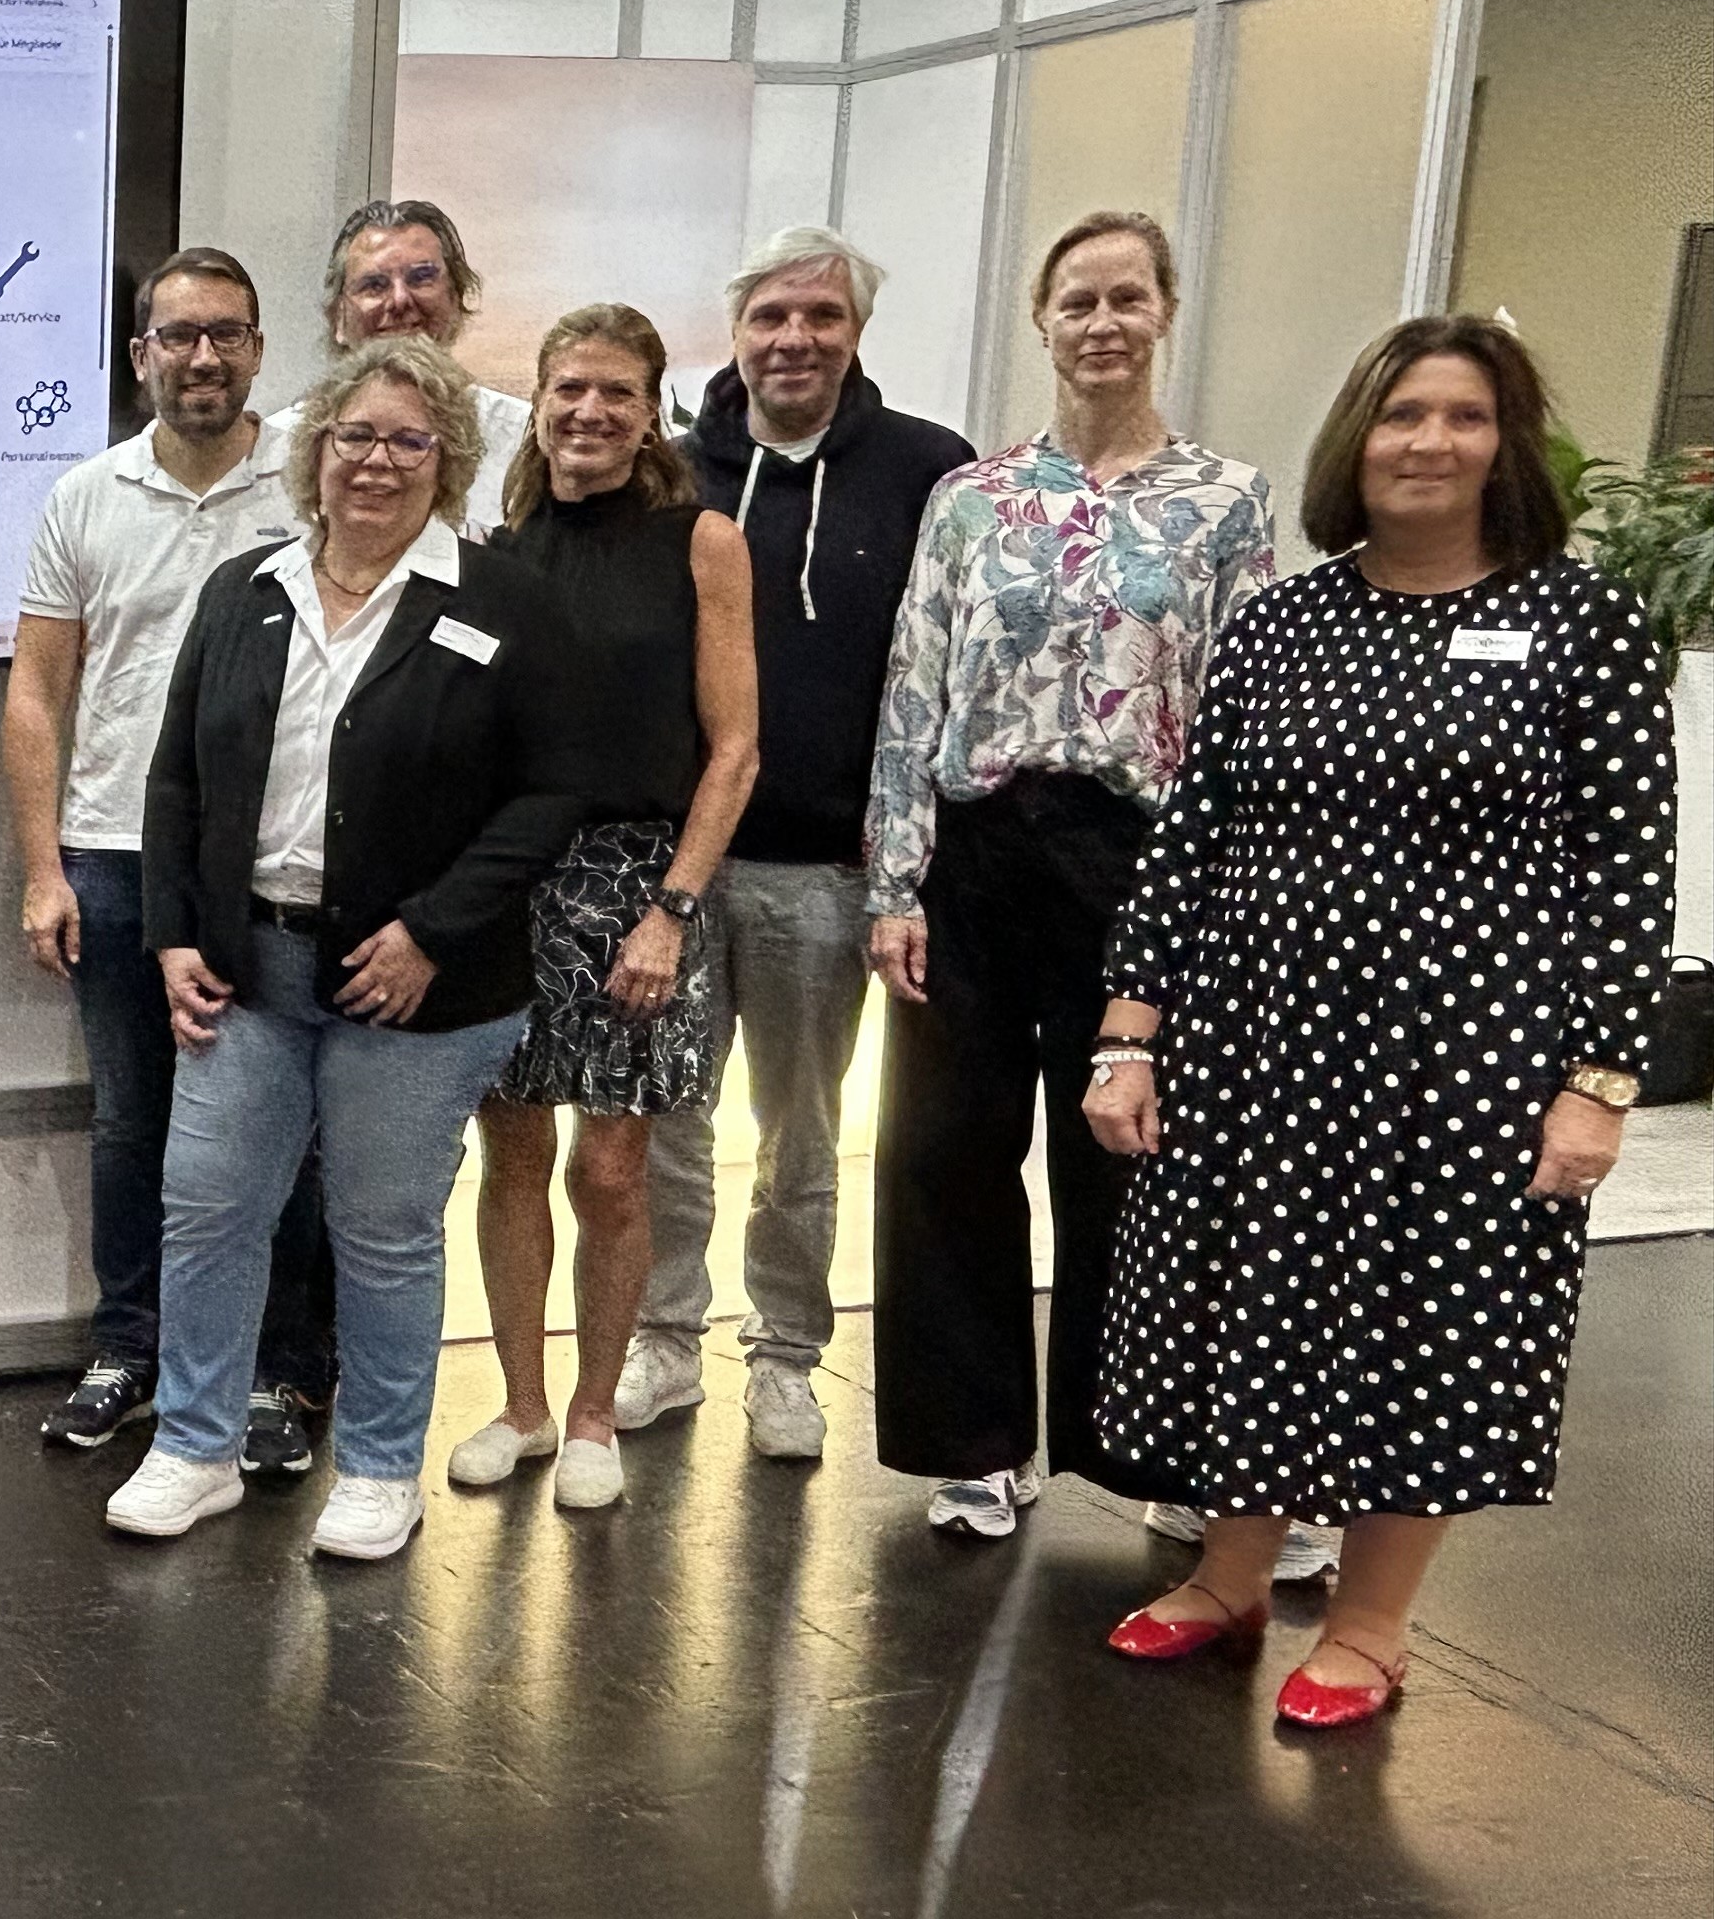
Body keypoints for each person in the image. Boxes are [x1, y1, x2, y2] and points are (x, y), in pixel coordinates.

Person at [1086, 319, 1675, 1725]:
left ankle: (1370, 1621)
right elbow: (1195, 835)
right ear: (1358, 438)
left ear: (1506, 444)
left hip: (1464, 1053)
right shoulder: (1286, 621)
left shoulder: (1579, 623)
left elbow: (1627, 872)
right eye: (1404, 414)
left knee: (1424, 1320)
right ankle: (1231, 1576)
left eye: (1465, 416)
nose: (1430, 442)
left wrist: (1598, 1082)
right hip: (1254, 1033)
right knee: (1246, 1292)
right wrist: (1130, 1030)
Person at [105, 335, 586, 1564]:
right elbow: (176, 780)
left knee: (381, 1230)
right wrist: (173, 937)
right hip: (245, 968)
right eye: (355, 436)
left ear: (447, 461)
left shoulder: (503, 601)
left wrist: (431, 931)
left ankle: (377, 1469)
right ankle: (196, 1446)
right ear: (315, 452)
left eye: (408, 441)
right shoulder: (244, 591)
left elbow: (549, 796)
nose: (377, 461)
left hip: (416, 987)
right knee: (209, 1209)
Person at [863, 214, 1273, 1543]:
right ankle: (977, 1443)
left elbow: (1240, 718)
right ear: (1041, 320)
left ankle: (1148, 1443)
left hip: (1135, 857)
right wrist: (894, 884)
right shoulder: (972, 499)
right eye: (1078, 300)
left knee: (1130, 1159)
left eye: (1126, 297)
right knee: (944, 1149)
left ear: (1164, 313)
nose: (1103, 322)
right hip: (977, 850)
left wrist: (1219, 902)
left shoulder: (1225, 502)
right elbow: (914, 687)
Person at [630, 232, 975, 1462]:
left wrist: (904, 867)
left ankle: (784, 1355)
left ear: (855, 332)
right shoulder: (671, 473)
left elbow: (943, 673)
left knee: (802, 1133)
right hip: (676, 869)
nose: (795, 338)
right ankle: (663, 1338)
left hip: (825, 872)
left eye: (821, 316)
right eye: (772, 315)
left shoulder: (929, 473)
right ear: (736, 331)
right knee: (669, 1120)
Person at [3, 248, 339, 1472]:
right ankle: (129, 1348)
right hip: (113, 857)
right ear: (141, 353)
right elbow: (37, 693)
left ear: (258, 350)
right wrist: (43, 868)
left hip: (268, 863)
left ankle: (281, 1370)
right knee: (131, 1121)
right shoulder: (86, 496)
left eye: (227, 334)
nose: (204, 357)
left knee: (283, 1130)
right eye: (179, 335)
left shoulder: (313, 485)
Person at [448, 308, 759, 1514]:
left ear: (651, 413)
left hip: (640, 884)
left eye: (616, 393)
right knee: (512, 1156)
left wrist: (673, 909)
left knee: (614, 1172)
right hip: (510, 880)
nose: (589, 412)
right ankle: (523, 1407)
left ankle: (593, 1415)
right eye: (569, 389)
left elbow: (733, 750)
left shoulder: (702, 543)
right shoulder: (495, 550)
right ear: (536, 404)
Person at [310, 200, 529, 532]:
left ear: (456, 300)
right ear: (337, 316)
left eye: (422, 278)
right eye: (374, 285)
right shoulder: (286, 446)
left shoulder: (524, 443)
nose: (399, 300)